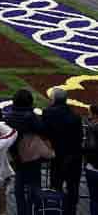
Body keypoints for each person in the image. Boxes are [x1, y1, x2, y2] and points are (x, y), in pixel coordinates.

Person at [4, 89, 46, 215]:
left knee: (19, 186)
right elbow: (42, 129)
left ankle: (22, 212)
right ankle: (36, 211)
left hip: (16, 156)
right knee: (34, 186)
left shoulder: (9, 117)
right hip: (32, 156)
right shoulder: (31, 116)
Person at [42, 87, 83, 215]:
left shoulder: (48, 112)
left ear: (53, 99)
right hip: (74, 157)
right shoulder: (75, 115)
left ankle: (56, 210)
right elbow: (80, 136)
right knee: (73, 188)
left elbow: (44, 132)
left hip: (57, 156)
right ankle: (71, 211)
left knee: (56, 186)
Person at [84, 104, 98, 215]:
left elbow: (91, 147)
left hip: (93, 167)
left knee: (94, 198)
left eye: (89, 112)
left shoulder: (92, 128)